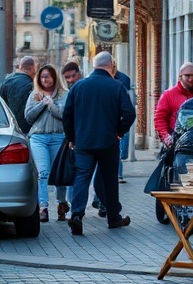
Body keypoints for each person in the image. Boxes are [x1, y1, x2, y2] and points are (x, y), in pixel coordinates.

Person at [63, 52, 136, 235]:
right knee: (109, 179)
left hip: (84, 142)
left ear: (94, 65)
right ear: (111, 65)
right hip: (108, 142)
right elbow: (129, 114)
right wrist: (119, 132)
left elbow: (67, 115)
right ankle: (113, 218)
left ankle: (77, 215)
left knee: (82, 177)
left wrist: (72, 138)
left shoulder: (78, 86)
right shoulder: (116, 86)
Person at [24, 64, 70, 223]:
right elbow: (28, 117)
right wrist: (42, 104)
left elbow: (66, 115)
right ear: (38, 78)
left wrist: (51, 105)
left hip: (58, 137)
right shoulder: (34, 95)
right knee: (43, 173)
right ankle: (43, 207)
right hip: (38, 138)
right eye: (42, 76)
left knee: (59, 174)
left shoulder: (64, 95)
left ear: (54, 78)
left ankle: (61, 204)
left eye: (48, 76)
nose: (45, 79)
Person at [153, 62, 193, 147]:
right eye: (187, 75)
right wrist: (166, 137)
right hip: (177, 142)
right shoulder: (168, 95)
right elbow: (160, 118)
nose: (191, 79)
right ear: (180, 77)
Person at [1, 56, 37, 134]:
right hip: (26, 128)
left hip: (9, 127)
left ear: (20, 67)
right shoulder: (31, 85)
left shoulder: (6, 82)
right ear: (32, 68)